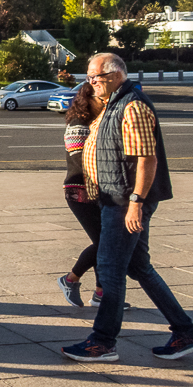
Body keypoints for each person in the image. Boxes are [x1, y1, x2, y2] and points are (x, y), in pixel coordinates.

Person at [62, 53, 193, 363]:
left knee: (112, 270)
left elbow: (147, 159)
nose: (90, 83)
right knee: (139, 267)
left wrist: (136, 203)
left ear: (115, 76)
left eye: (95, 78)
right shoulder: (113, 105)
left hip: (124, 201)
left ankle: (102, 343)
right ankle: (186, 333)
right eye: (89, 77)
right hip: (114, 198)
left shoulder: (133, 107)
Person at [56, 83, 111, 308]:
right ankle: (70, 279)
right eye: (101, 99)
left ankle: (100, 292)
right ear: (89, 98)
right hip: (79, 191)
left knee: (102, 240)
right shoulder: (78, 122)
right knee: (103, 241)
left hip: (98, 190)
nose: (105, 102)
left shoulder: (96, 121)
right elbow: (81, 159)